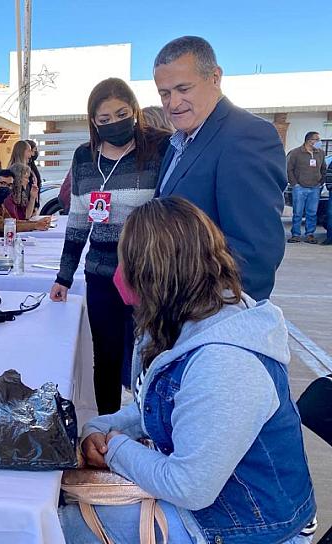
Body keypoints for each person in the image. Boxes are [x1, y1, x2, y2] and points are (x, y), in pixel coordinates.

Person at [61, 197, 316, 544]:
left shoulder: (224, 364)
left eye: (125, 262)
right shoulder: (185, 322)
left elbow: (188, 487)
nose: (118, 273)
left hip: (243, 528)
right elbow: (156, 407)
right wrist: (100, 428)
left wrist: (116, 448)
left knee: (58, 526)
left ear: (151, 275)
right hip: (218, 508)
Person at [50, 78, 170, 415]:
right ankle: (107, 425)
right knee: (105, 355)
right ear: (93, 121)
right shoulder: (84, 157)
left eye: (121, 114)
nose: (114, 123)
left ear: (134, 111)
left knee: (150, 354)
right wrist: (64, 276)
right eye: (104, 119)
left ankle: (148, 423)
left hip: (146, 276)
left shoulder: (158, 148)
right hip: (101, 275)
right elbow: (78, 221)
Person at [154, 36, 287, 301]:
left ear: (215, 77)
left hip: (208, 311)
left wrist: (212, 315)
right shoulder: (179, 141)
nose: (173, 103)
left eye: (183, 89)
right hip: (174, 305)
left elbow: (254, 256)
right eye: (165, 93)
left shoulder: (246, 135)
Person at [0, 169, 50, 251]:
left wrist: (36, 223)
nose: (6, 187)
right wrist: (35, 225)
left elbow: (10, 221)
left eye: (9, 185)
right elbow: (2, 226)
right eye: (2, 183)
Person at [287, 131, 328, 244]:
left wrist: (321, 182)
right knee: (298, 212)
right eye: (317, 139)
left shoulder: (320, 153)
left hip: (315, 188)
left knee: (312, 213)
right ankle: (295, 234)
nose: (319, 142)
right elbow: (289, 169)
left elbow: (323, 168)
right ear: (309, 141)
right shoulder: (296, 152)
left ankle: (310, 234)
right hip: (299, 188)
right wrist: (295, 184)